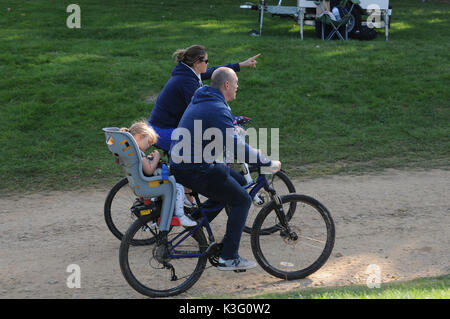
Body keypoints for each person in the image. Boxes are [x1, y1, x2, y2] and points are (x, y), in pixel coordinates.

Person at [169, 68, 281, 271]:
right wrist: (265, 161)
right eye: (236, 82)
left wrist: (248, 151)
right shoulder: (217, 108)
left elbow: (225, 139)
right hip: (194, 167)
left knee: (237, 181)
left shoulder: (206, 99)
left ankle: (196, 223)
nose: (238, 86)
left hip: (190, 163)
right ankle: (228, 257)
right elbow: (234, 145)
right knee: (242, 200)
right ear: (227, 85)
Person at [148, 44, 261, 151]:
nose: (208, 64)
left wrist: (241, 64)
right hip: (162, 132)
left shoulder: (188, 72)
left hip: (163, 127)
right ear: (197, 63)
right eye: (206, 61)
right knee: (205, 146)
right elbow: (202, 111)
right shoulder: (187, 82)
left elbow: (215, 71)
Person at [121, 121, 197, 227]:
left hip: (142, 183)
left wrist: (149, 160)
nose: (148, 146)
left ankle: (183, 200)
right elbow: (149, 170)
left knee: (174, 181)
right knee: (178, 187)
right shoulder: (139, 153)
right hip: (148, 185)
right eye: (147, 142)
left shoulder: (132, 152)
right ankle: (180, 215)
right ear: (139, 137)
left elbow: (145, 167)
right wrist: (156, 159)